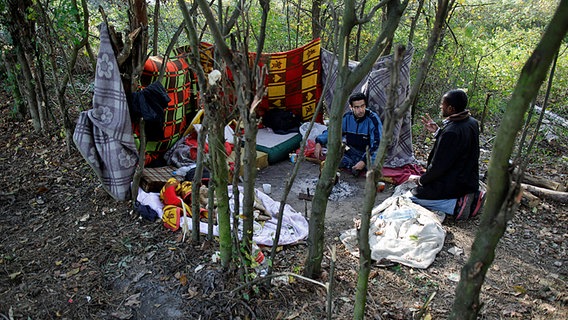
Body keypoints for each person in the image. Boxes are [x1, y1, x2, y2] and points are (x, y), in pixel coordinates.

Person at [407, 89, 485, 220]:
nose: (440, 107)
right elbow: (459, 147)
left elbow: (438, 167)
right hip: (467, 178)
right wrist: (438, 132)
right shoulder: (471, 122)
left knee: (411, 196)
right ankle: (468, 196)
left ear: (450, 108)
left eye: (442, 104)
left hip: (455, 182)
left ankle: (456, 205)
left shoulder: (452, 132)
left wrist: (421, 180)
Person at [314, 92, 383, 176]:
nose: (361, 110)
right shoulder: (347, 118)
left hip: (367, 154)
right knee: (331, 159)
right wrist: (319, 142)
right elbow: (332, 132)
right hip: (350, 152)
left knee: (372, 166)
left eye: (362, 106)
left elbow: (377, 144)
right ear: (351, 107)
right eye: (357, 107)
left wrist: (364, 161)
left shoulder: (372, 119)